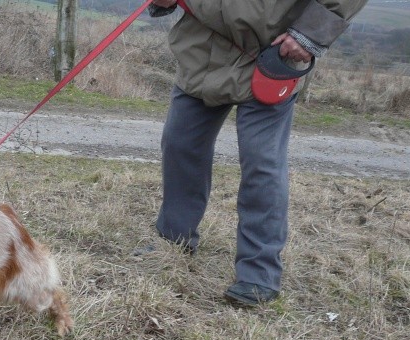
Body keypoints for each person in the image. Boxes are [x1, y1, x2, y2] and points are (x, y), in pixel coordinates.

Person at [148, 0, 368, 306]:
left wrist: (309, 33)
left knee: (261, 163)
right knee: (180, 145)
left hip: (272, 55)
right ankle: (174, 237)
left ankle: (258, 274)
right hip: (201, 48)